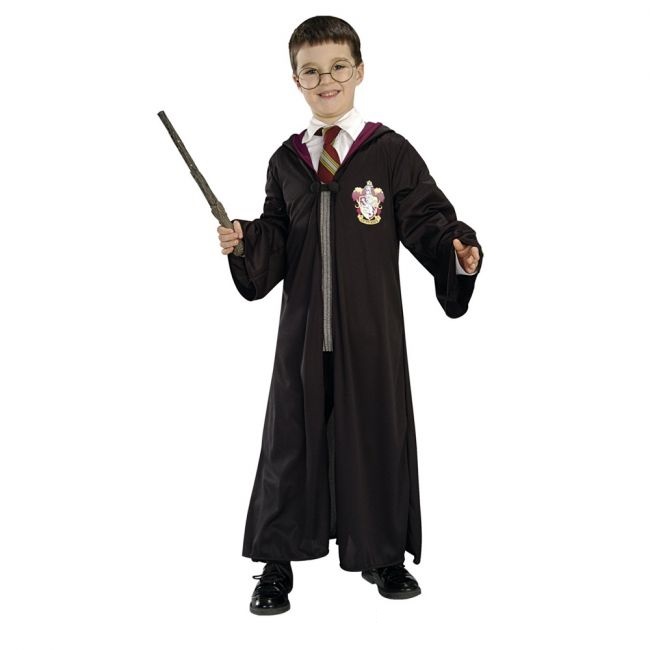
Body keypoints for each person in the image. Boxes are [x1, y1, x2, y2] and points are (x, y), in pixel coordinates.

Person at [218, 15, 483, 616]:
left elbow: (428, 218)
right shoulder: (287, 161)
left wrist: (456, 250)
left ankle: (383, 555)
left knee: (377, 437)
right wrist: (246, 240)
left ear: (359, 71)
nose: (326, 80)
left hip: (369, 332)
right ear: (296, 80)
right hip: (303, 334)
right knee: (290, 445)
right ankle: (276, 564)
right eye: (311, 71)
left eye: (338, 66)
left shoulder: (388, 153)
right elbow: (279, 235)